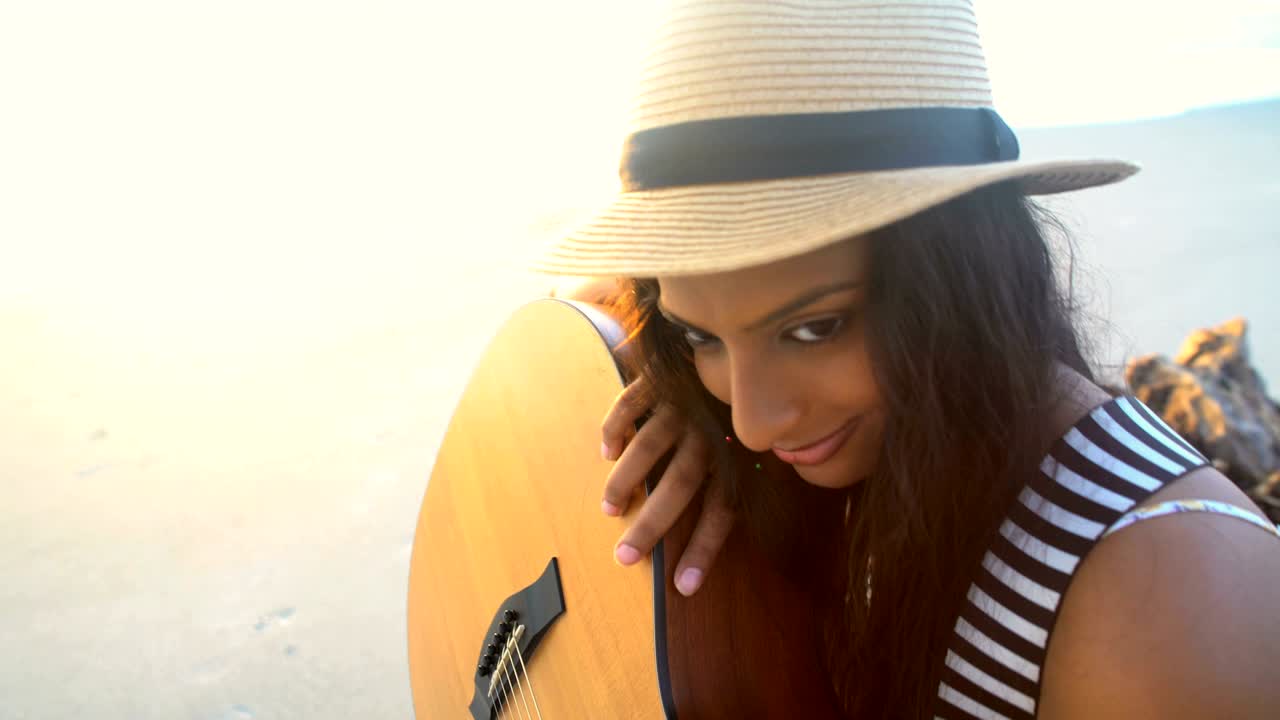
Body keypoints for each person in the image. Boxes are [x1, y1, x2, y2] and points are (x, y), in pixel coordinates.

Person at [538, 1, 1280, 717]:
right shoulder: (865, 446)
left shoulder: (1169, 606)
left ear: (965, 276)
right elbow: (588, 298)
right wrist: (671, 390)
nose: (755, 425)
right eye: (702, 337)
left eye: (814, 327)